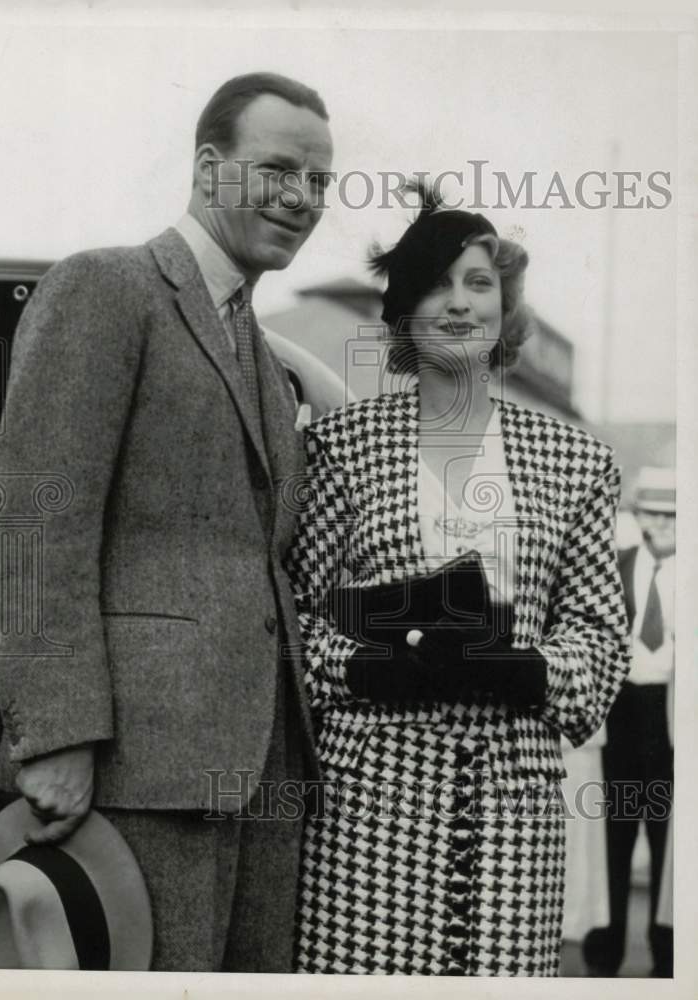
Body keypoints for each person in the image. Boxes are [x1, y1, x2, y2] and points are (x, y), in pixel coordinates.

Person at [0, 72, 334, 972]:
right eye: (279, 169)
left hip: (260, 772)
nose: (302, 198)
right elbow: (32, 523)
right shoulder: (108, 288)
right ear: (210, 167)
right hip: (134, 766)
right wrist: (57, 736)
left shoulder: (258, 348)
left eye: (321, 182)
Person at [285, 186, 631, 975]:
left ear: (505, 308)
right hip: (368, 806)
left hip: (516, 800)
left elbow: (601, 639)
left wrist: (531, 668)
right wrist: (366, 665)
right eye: (436, 284)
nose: (458, 303)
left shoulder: (578, 460)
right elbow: (294, 618)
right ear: (402, 311)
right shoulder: (341, 447)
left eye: (479, 284)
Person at [583, 467, 675, 977]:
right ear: (637, 516)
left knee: (670, 847)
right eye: (653, 513)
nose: (661, 524)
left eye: (674, 516)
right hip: (619, 719)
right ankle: (604, 957)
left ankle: (668, 960)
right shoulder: (615, 567)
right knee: (611, 841)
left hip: (673, 725)